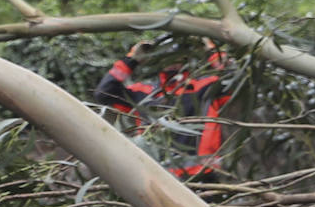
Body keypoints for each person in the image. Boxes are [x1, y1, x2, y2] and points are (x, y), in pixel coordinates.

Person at [93, 36, 231, 180]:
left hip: (203, 175)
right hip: (156, 175)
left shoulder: (206, 88)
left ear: (185, 59)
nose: (172, 64)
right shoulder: (143, 93)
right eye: (167, 58)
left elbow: (235, 80)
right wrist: (132, 59)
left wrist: (212, 52)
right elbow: (104, 94)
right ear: (158, 61)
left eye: (177, 58)